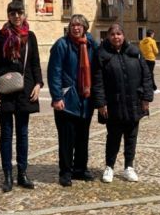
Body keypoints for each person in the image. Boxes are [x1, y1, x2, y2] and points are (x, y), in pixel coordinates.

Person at [0, 2, 43, 192]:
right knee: (6, 133)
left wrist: (38, 84)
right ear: (8, 15)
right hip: (4, 90)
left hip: (25, 90)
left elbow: (35, 63)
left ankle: (22, 173)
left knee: (23, 133)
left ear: (24, 15)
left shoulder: (30, 36)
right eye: (13, 13)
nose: (16, 16)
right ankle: (7, 175)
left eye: (19, 13)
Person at [93, 23, 153, 183]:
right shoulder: (102, 54)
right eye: (112, 34)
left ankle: (129, 167)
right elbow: (97, 81)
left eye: (119, 34)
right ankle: (109, 167)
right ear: (108, 37)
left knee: (131, 136)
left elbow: (147, 76)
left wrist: (146, 98)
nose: (116, 37)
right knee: (113, 137)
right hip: (113, 104)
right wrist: (100, 103)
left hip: (134, 102)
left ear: (123, 36)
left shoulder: (134, 52)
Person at [47, 13, 99, 186]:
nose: (76, 28)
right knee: (67, 138)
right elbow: (54, 72)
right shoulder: (61, 45)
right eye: (73, 25)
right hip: (67, 99)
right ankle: (66, 172)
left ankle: (80, 169)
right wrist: (56, 97)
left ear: (85, 27)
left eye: (79, 25)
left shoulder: (91, 45)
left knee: (83, 137)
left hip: (85, 99)